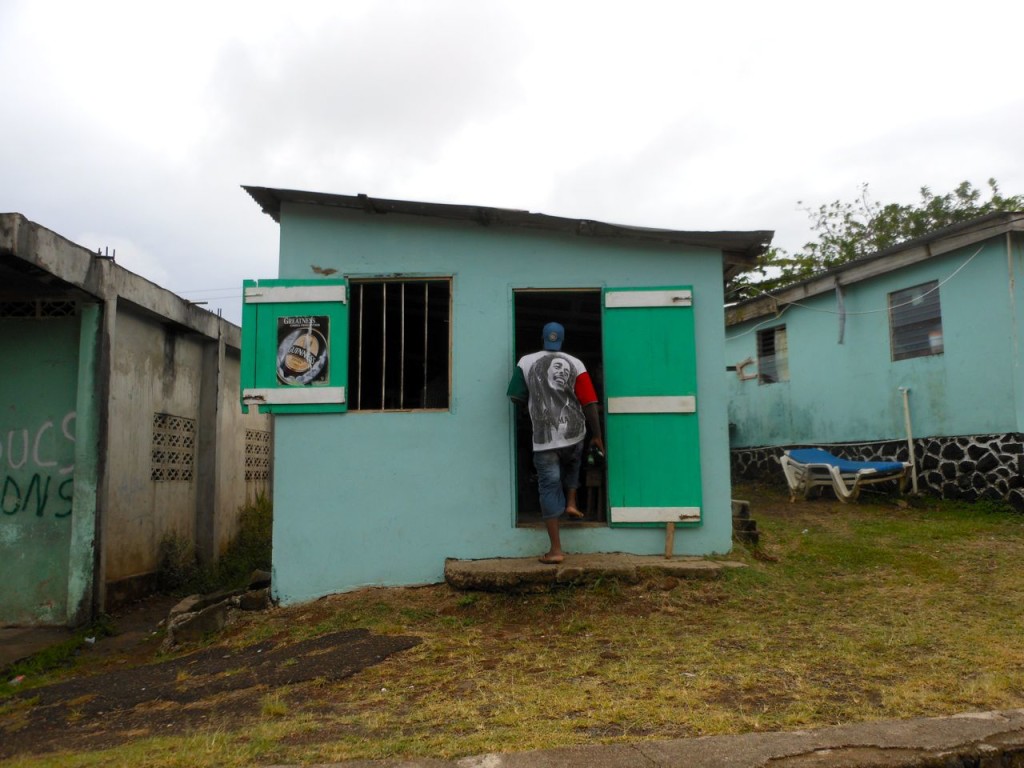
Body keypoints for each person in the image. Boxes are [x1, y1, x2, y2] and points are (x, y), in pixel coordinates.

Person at [507, 322, 604, 564]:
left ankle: (556, 550)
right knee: (574, 463)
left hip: (545, 440)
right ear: (562, 340)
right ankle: (571, 503)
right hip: (575, 433)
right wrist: (597, 434)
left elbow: (515, 396)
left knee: (549, 487)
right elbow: (589, 402)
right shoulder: (576, 363)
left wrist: (532, 404)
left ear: (542, 338)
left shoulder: (525, 362)